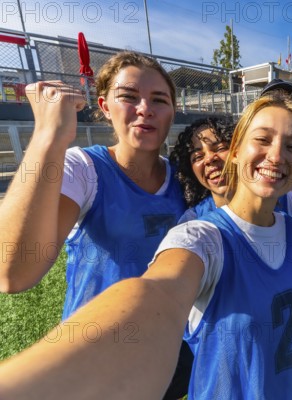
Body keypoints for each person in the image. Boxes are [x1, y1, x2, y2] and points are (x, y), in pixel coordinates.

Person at [0, 94, 292, 399]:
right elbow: (158, 294)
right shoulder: (200, 235)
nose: (277, 155)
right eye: (262, 139)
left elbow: (291, 308)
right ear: (240, 148)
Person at [0, 51, 191, 399]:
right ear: (104, 106)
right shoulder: (84, 168)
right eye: (128, 97)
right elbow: (14, 272)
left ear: (172, 112)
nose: (145, 108)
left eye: (158, 100)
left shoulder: (184, 179)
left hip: (168, 348)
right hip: (97, 351)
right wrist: (49, 136)